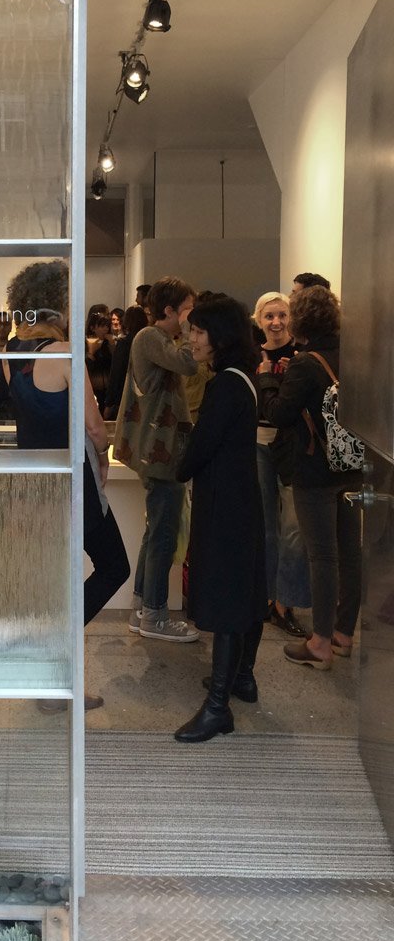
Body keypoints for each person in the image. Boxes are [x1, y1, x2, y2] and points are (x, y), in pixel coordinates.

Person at [3, 260, 130, 712]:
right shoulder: (63, 354)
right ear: (58, 305)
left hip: (35, 487)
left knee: (54, 582)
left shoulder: (11, 355)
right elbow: (95, 428)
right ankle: (59, 653)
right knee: (115, 567)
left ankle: (54, 685)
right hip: (73, 485)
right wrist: (101, 459)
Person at [174, 297, 267, 742]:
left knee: (229, 602)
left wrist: (179, 467)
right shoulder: (241, 379)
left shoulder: (225, 386)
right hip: (240, 501)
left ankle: (218, 709)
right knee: (246, 590)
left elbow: (202, 446)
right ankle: (241, 678)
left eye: (197, 331)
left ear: (220, 337)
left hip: (224, 506)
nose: (190, 338)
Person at [257, 286, 362, 669]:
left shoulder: (304, 363)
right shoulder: (352, 354)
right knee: (351, 552)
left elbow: (280, 413)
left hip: (314, 468)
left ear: (298, 320)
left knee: (322, 556)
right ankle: (343, 633)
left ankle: (319, 642)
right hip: (351, 464)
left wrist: (267, 379)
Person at [113, 276, 199, 643]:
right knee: (162, 534)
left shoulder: (156, 338)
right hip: (159, 451)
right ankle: (156, 616)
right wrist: (195, 336)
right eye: (188, 312)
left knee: (156, 532)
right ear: (169, 310)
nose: (192, 321)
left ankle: (142, 608)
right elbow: (189, 365)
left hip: (158, 449)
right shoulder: (151, 337)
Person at [252, 291, 310, 636]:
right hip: (258, 443)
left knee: (293, 529)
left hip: (291, 447)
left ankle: (285, 602)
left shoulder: (302, 356)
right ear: (259, 321)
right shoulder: (252, 356)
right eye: (269, 316)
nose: (276, 323)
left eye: (282, 315)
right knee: (265, 526)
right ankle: (266, 596)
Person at [103, 305, 148, 419]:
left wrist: (109, 403)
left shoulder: (124, 343)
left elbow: (116, 373)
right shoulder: (147, 343)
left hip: (124, 395)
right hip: (144, 395)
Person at [85, 309, 113, 413]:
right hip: (91, 390)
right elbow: (85, 369)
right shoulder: (85, 344)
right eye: (102, 326)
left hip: (107, 390)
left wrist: (112, 346)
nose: (106, 329)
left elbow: (114, 366)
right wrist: (91, 352)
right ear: (92, 328)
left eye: (107, 326)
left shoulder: (108, 344)